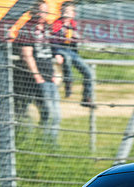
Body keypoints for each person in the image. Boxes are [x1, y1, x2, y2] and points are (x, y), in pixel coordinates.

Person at [14, 1, 63, 144]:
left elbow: (50, 52)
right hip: (38, 79)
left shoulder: (46, 29)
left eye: (46, 11)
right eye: (42, 11)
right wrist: (37, 76)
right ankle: (45, 143)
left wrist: (55, 73)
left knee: (56, 115)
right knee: (49, 113)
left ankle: (49, 143)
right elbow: (26, 55)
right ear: (34, 11)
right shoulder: (27, 28)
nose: (44, 14)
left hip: (50, 77)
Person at [51, 1, 94, 106]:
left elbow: (73, 41)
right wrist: (56, 53)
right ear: (61, 12)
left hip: (70, 51)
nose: (68, 14)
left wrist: (79, 39)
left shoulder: (73, 24)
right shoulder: (57, 24)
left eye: (70, 11)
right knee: (67, 59)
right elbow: (52, 40)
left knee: (88, 72)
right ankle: (68, 83)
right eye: (66, 11)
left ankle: (86, 98)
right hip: (60, 49)